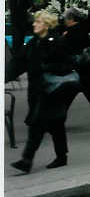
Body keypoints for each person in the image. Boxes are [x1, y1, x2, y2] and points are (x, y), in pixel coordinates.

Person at [9, 10, 77, 173]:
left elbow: (66, 64)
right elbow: (18, 63)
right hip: (38, 90)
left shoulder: (57, 42)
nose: (34, 24)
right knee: (55, 125)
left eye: (37, 22)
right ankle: (62, 156)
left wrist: (46, 67)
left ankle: (27, 160)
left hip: (52, 90)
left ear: (46, 25)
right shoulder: (33, 42)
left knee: (37, 124)